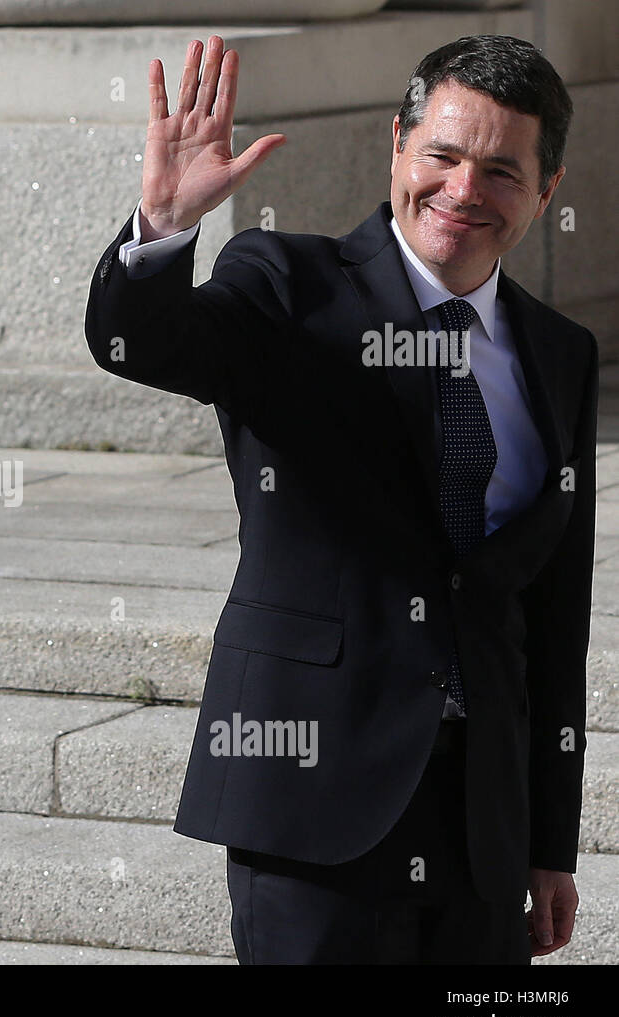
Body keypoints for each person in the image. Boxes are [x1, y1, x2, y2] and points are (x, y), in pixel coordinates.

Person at [86, 34, 595, 963]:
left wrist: (549, 843)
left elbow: (555, 620)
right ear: (396, 145)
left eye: (500, 170)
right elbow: (146, 346)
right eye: (440, 155)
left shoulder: (561, 354)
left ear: (547, 190)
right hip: (314, 800)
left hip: (482, 831)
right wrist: (161, 229)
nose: (462, 190)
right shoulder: (287, 284)